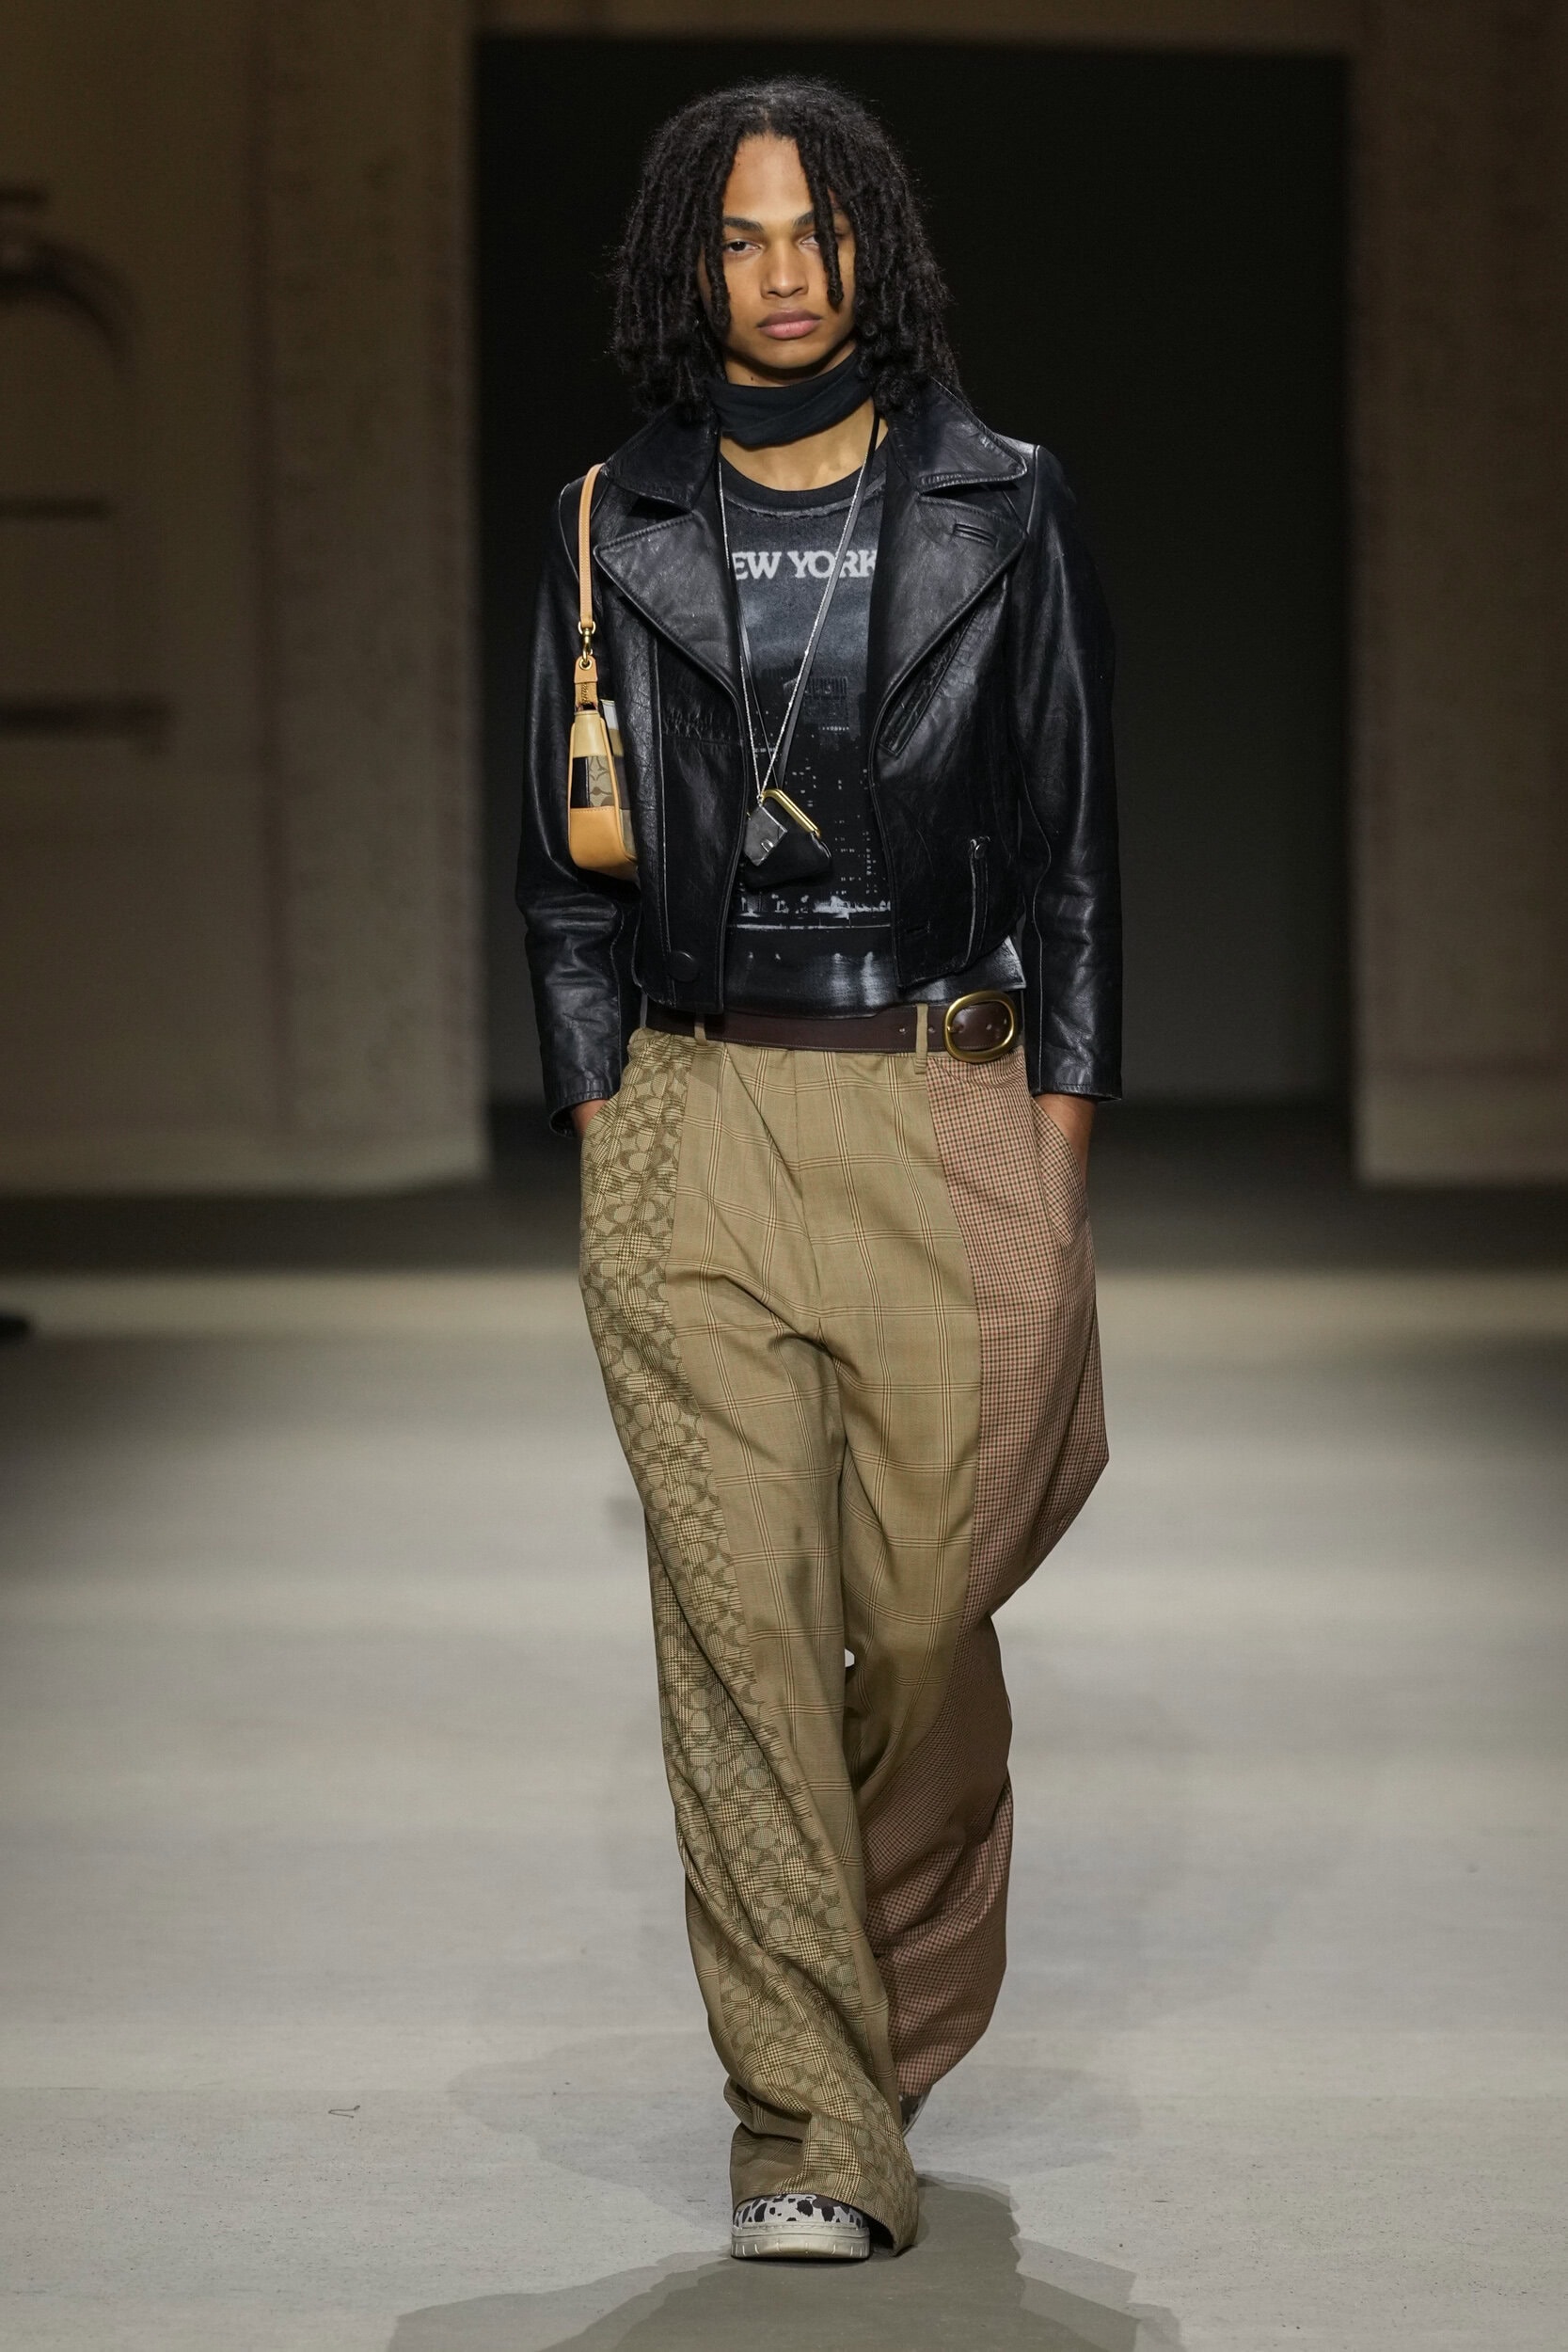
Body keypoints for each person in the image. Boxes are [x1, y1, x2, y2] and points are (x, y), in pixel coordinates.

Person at [517, 75, 1119, 2264]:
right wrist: (610, 1121)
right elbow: (559, 874)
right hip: (693, 1109)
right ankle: (808, 2115)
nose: (784, 275)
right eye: (742, 237)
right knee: (743, 1632)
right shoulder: (610, 519)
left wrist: (1056, 1161)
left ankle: (892, 2002)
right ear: (691, 266)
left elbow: (1074, 853)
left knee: (925, 1615)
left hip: (940, 1097)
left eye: (818, 231)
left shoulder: (1004, 506)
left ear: (877, 247)